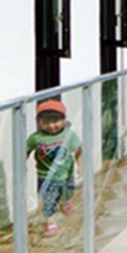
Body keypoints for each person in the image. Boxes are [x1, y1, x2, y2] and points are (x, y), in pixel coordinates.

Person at [26, 99, 82, 237]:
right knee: (49, 199)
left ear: (64, 120)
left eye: (55, 122)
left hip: (66, 172)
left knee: (68, 190)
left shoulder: (68, 135)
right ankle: (50, 222)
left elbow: (78, 150)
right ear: (38, 122)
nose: (51, 126)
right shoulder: (36, 138)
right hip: (45, 175)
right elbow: (25, 150)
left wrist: (80, 166)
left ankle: (66, 201)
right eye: (46, 122)